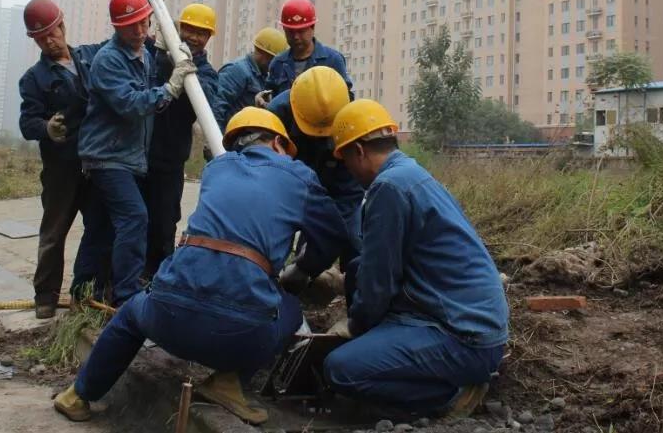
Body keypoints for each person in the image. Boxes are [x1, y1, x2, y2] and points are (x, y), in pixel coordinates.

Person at [53, 107, 348, 424]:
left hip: (167, 319)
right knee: (289, 310)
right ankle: (229, 382)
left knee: (129, 314)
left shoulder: (217, 170)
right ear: (278, 142)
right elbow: (333, 236)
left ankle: (78, 395)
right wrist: (302, 272)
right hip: (241, 336)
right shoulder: (299, 176)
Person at [321, 99, 510, 418]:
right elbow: (370, 270)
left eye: (346, 160)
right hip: (470, 320)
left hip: (464, 337)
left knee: (340, 369)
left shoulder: (388, 189)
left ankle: (451, 395)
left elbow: (379, 281)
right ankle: (429, 366)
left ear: (359, 151)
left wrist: (354, 327)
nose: (348, 171)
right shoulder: (410, 174)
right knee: (356, 269)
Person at [77, 0, 197, 306]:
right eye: (132, 26)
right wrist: (171, 86)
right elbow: (132, 104)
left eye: (144, 22)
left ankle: (82, 289)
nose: (140, 31)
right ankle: (126, 295)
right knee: (134, 218)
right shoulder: (109, 61)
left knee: (101, 226)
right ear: (116, 27)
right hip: (107, 157)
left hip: (126, 157)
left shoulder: (142, 52)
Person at [19, 0, 112, 317]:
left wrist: (146, 6)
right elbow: (26, 122)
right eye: (40, 37)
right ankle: (45, 296)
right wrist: (46, 127)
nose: (48, 40)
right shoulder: (34, 79)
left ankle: (88, 291)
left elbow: (119, 42)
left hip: (96, 161)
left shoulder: (89, 56)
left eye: (51, 32)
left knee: (99, 228)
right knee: (54, 232)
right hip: (62, 168)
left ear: (62, 25)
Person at [267, 66, 365, 289]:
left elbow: (347, 198)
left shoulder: (350, 123)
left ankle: (355, 304)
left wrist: (307, 265)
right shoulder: (276, 116)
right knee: (272, 231)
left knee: (352, 238)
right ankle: (274, 287)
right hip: (284, 185)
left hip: (333, 183)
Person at [142, 3, 220, 279]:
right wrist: (164, 55)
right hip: (137, 154)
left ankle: (157, 279)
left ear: (209, 37)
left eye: (202, 33)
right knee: (133, 220)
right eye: (189, 29)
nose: (195, 37)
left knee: (164, 222)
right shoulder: (155, 55)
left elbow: (208, 101)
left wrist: (188, 70)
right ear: (180, 28)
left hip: (169, 158)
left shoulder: (207, 72)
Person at [258, 0, 352, 105]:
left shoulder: (332, 60)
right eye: (291, 32)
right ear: (284, 30)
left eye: (301, 31)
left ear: (312, 28)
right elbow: (270, 100)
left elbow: (346, 99)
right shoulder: (278, 63)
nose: (296, 37)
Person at [212, 27, 288, 130]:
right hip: (231, 138)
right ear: (264, 54)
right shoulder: (237, 70)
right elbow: (217, 107)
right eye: (274, 60)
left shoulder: (264, 76)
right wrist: (216, 141)